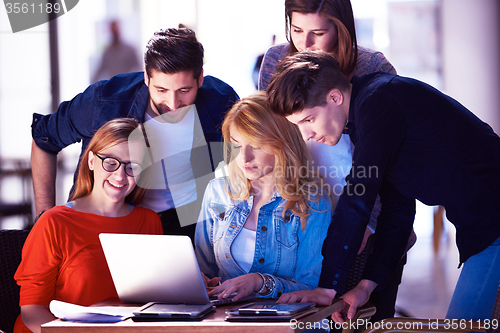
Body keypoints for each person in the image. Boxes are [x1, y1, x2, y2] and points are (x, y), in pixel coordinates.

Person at [266, 50, 500, 323]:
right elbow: (397, 211)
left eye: (308, 120)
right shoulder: (368, 115)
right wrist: (366, 285)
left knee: (463, 327)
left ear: (335, 97)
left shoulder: (379, 101)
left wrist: (328, 287)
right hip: (484, 224)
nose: (307, 134)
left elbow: (357, 198)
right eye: (298, 126)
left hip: (493, 221)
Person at [258, 0, 410, 321]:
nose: (305, 44)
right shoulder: (275, 61)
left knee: (367, 317)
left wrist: (367, 222)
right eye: (297, 30)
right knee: (306, 319)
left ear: (340, 29)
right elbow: (272, 142)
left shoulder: (372, 67)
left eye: (318, 32)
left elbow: (389, 165)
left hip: (367, 216)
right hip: (302, 219)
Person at [31, 28, 239, 242]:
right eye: (161, 90)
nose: (173, 103)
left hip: (192, 224)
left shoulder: (222, 101)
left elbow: (249, 158)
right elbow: (44, 139)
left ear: (200, 78)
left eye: (184, 91)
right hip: (121, 220)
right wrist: (43, 219)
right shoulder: (104, 101)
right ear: (147, 77)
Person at [14, 118, 163, 333]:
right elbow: (32, 310)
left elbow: (153, 297)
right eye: (111, 162)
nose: (120, 176)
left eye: (132, 166)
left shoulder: (150, 221)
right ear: (92, 161)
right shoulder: (54, 222)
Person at [195, 92, 331, 301]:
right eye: (237, 145)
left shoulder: (312, 202)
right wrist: (200, 281)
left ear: (283, 143)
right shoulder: (217, 193)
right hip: (222, 320)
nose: (245, 158)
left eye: (256, 146)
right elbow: (204, 270)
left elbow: (311, 287)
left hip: (282, 323)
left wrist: (259, 282)